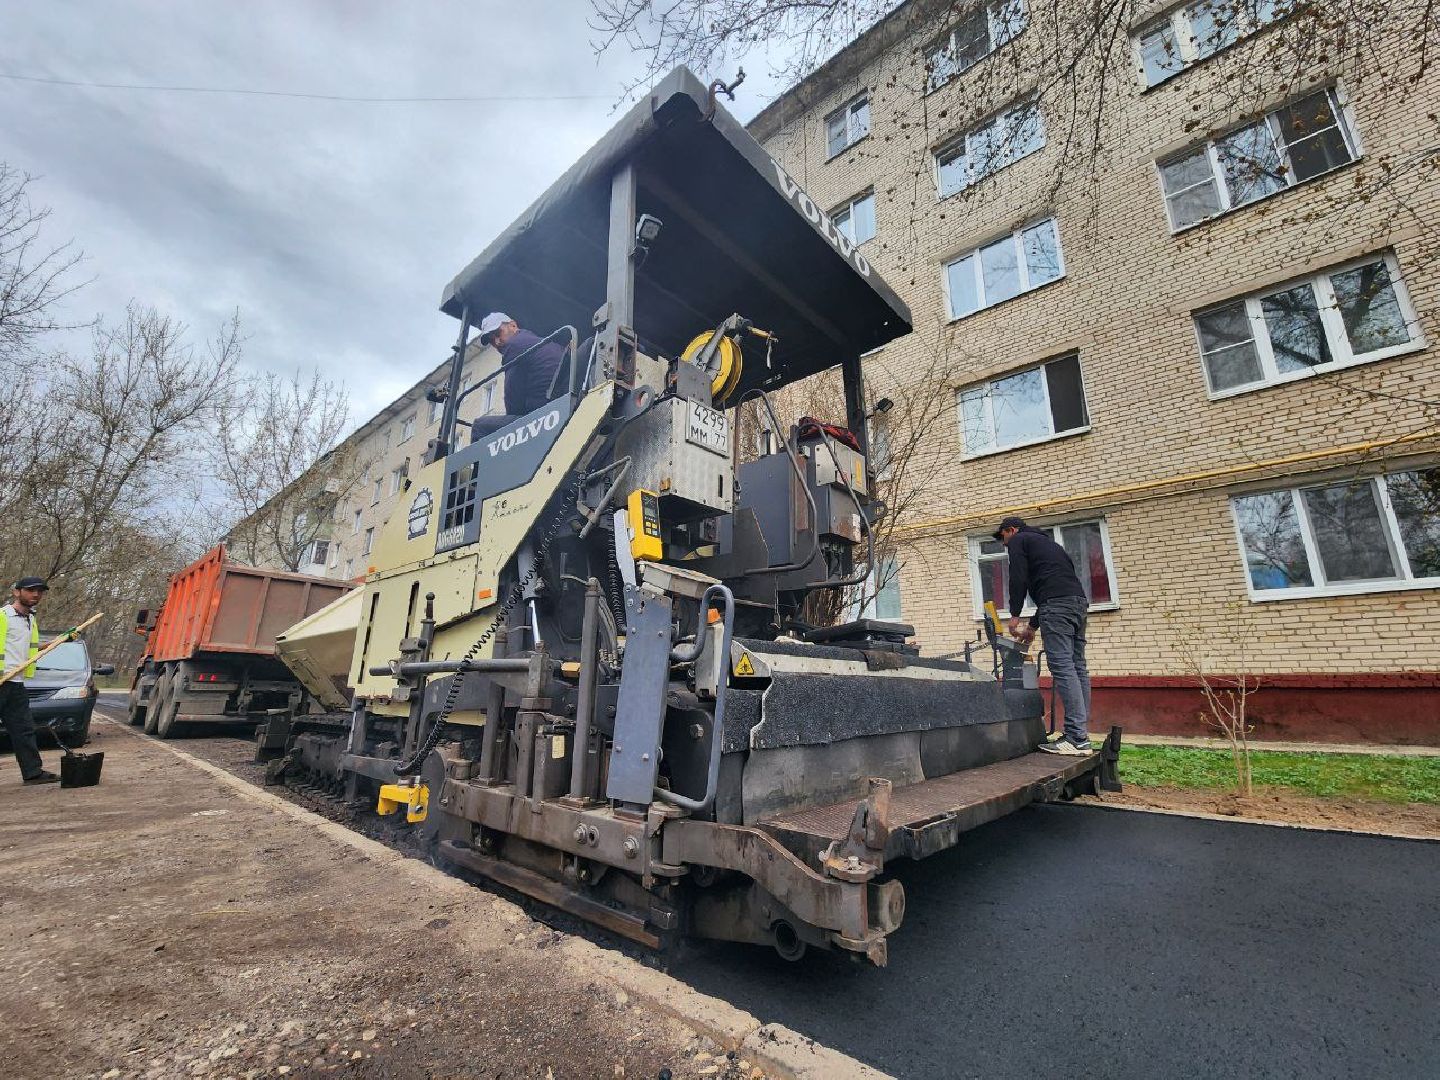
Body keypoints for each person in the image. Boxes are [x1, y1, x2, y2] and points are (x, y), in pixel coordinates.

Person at [994, 516, 1093, 757]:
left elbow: (1019, 578)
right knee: (1078, 667)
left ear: (1011, 530)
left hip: (1056, 607)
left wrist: (1014, 615)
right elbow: (1055, 587)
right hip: (1077, 604)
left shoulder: (1019, 540)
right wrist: (1034, 626)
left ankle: (1076, 738)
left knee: (1063, 667)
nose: (1005, 545)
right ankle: (1080, 734)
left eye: (1004, 540)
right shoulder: (1051, 545)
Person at [0, 577, 60, 785]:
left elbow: (27, 649)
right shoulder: (3, 616)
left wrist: (55, 643)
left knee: (24, 729)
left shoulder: (29, 619)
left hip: (15, 684)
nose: (36, 594)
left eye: (39, 591)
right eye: (30, 590)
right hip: (1, 680)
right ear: (17, 592)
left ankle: (33, 773)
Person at [479, 312, 569, 418]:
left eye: (498, 333)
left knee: (479, 427)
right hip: (560, 402)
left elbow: (513, 402)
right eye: (491, 340)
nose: (497, 342)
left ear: (513, 325)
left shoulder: (513, 347)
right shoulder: (540, 342)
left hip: (542, 412)